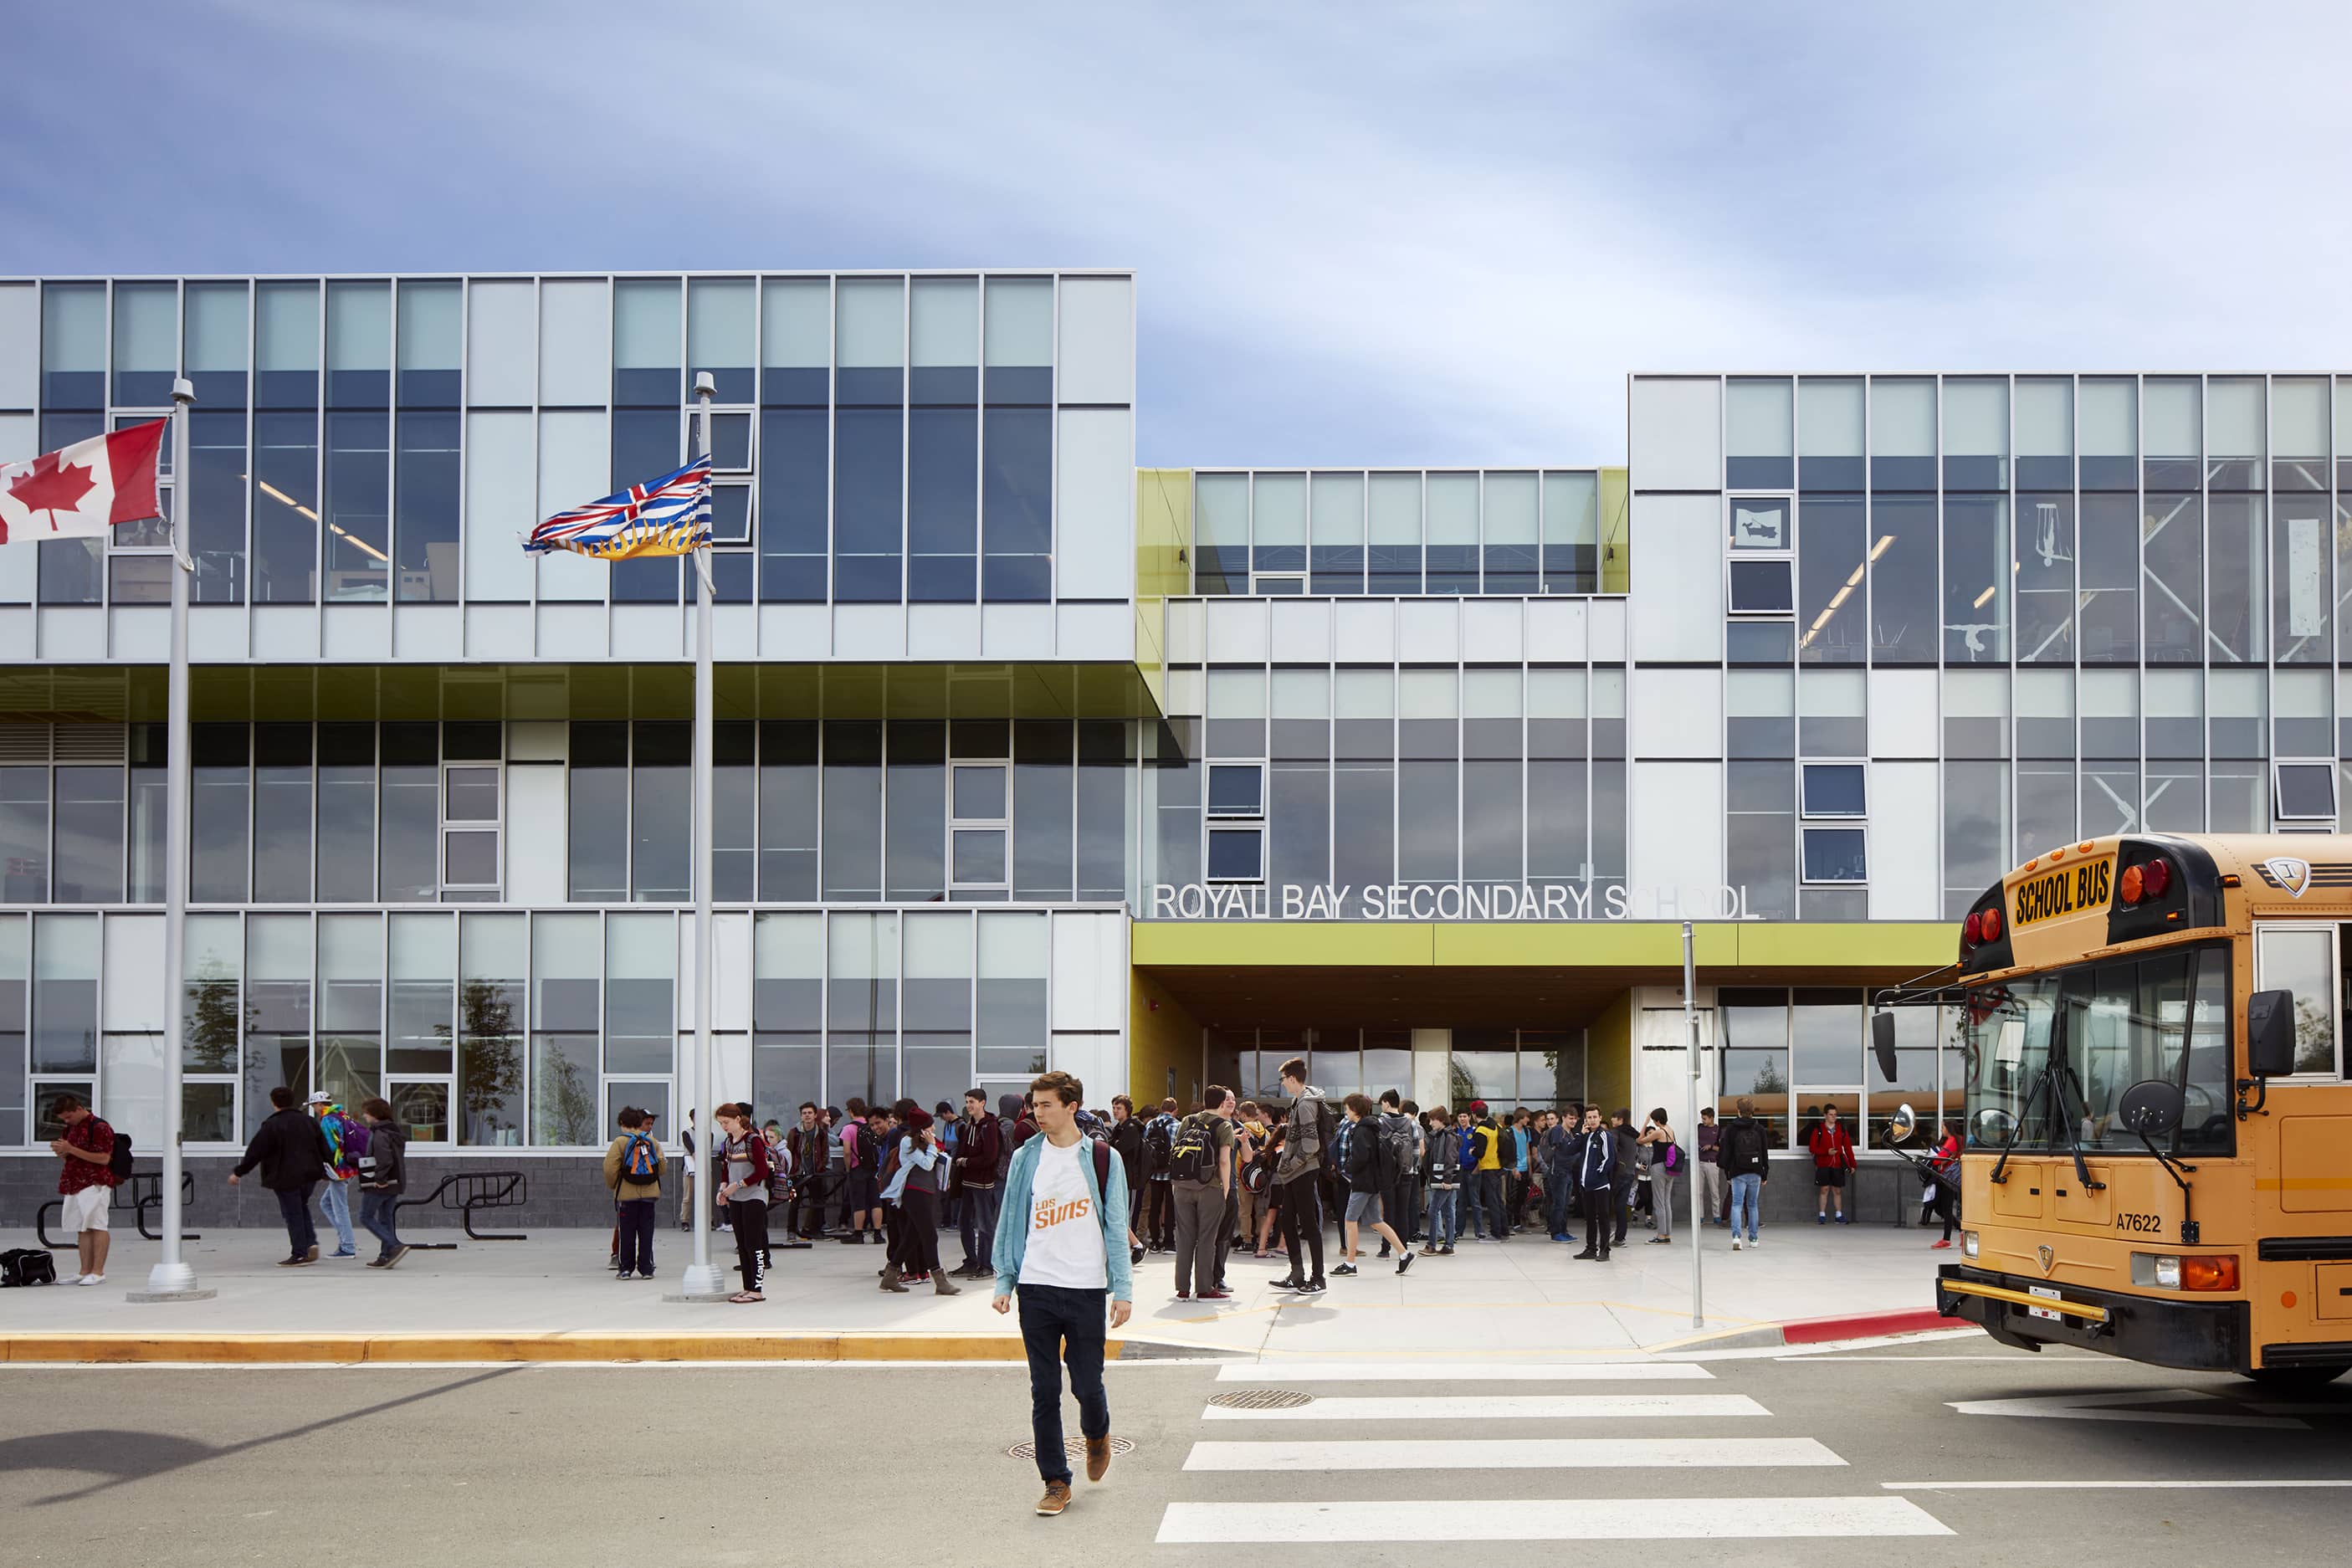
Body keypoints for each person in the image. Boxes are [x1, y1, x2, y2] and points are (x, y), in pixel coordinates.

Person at [991, 1069, 1133, 1518]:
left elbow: (1115, 1226)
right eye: (1035, 1105)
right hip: (1037, 1286)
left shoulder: (1103, 1158)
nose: (1037, 1112)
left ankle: (1097, 1433)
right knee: (1044, 1388)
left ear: (1071, 1106)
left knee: (1088, 1385)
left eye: (1046, 1104)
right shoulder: (1025, 1157)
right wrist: (1004, 1280)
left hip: (1087, 1287)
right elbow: (1010, 1219)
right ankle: (1055, 1480)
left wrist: (1123, 1290)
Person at [231, 1085, 336, 1266]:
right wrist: (328, 1168)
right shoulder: (308, 1121)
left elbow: (256, 1151)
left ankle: (300, 1253)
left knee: (292, 1213)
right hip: (310, 1174)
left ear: (273, 1102)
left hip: (285, 1176)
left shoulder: (272, 1125)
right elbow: (324, 1146)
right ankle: (309, 1243)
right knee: (301, 1207)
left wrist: (239, 1172)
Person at [1333, 1094, 1415, 1277]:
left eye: (1347, 1108)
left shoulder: (1361, 1130)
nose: (1345, 1111)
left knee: (1350, 1220)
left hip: (1363, 1182)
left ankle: (1350, 1263)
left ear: (1354, 1109)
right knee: (1375, 1221)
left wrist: (1347, 1167)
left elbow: (1361, 1157)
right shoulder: (1372, 1127)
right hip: (1373, 1182)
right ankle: (1404, 1254)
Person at [883, 1107, 959, 1296]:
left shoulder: (923, 1141)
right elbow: (925, 1163)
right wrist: (932, 1146)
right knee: (930, 1236)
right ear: (921, 1128)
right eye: (929, 1126)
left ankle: (890, 1274)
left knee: (912, 1236)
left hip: (927, 1192)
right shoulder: (907, 1141)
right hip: (913, 1192)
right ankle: (939, 1280)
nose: (933, 1128)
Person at [1168, 1087, 1233, 1301]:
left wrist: (1175, 1185)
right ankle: (1204, 1288)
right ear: (1223, 1103)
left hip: (1183, 1187)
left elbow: (1175, 1151)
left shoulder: (1187, 1121)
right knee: (1207, 1239)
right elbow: (1224, 1161)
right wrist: (1224, 1188)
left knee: (1185, 1239)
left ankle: (1182, 1289)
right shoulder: (1224, 1126)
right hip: (1210, 1188)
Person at [1271, 1058, 1328, 1294]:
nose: (1282, 1083)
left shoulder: (1304, 1104)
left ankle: (1318, 1278)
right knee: (1288, 1219)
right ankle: (1297, 1274)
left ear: (1292, 1078)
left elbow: (1311, 1146)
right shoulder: (1298, 1101)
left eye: (1283, 1079)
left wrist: (1289, 1166)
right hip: (1297, 1172)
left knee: (1308, 1223)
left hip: (1303, 1171)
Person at [48, 1094, 117, 1286]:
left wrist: (71, 1149)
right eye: (64, 1119)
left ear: (79, 1109)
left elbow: (104, 1158)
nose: (67, 1121)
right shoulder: (70, 1129)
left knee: (98, 1224)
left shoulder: (100, 1127)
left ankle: (98, 1271)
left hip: (95, 1182)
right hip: (74, 1182)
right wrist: (61, 1151)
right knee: (82, 1227)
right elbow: (69, 1156)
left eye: (68, 1117)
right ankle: (84, 1271)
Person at [713, 1103, 771, 1303]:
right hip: (736, 1198)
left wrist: (737, 1185)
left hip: (753, 1197)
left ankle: (757, 1289)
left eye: (726, 1122)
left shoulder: (753, 1140)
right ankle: (748, 1287)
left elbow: (762, 1171)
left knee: (754, 1244)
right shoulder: (729, 1142)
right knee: (742, 1244)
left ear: (738, 1119)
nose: (724, 1127)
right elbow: (725, 1168)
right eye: (721, 1123)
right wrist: (723, 1189)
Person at [602, 1105, 663, 1280]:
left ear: (622, 1123)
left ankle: (625, 1269)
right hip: (649, 1196)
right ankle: (646, 1269)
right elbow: (662, 1165)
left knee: (626, 1233)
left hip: (627, 1196)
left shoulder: (620, 1142)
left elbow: (609, 1168)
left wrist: (615, 1185)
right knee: (646, 1232)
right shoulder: (652, 1141)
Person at [954, 1089, 1006, 1277]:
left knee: (985, 1224)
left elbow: (990, 1156)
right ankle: (971, 1261)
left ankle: (986, 1264)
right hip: (967, 1182)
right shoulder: (969, 1126)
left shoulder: (989, 1126)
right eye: (967, 1102)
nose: (969, 1106)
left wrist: (967, 1161)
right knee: (964, 1222)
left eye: (972, 1102)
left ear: (982, 1103)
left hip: (983, 1183)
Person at [354, 1097, 410, 1268]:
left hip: (381, 1183)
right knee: (386, 1219)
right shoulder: (394, 1131)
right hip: (396, 1182)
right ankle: (386, 1256)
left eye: (366, 1112)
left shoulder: (380, 1133)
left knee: (366, 1217)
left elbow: (384, 1160)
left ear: (374, 1114)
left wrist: (380, 1179)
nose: (364, 1116)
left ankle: (394, 1245)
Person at [308, 1092, 363, 1258]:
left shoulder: (327, 1120)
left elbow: (330, 1147)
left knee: (340, 1208)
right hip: (351, 1166)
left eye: (313, 1106)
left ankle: (347, 1247)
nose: (314, 1109)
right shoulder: (341, 1114)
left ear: (319, 1105)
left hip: (339, 1169)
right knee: (326, 1203)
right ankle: (347, 1240)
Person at [1721, 1096, 1771, 1250]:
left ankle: (1736, 1238)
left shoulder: (1731, 1129)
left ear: (1738, 1111)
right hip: (1755, 1171)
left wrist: (1727, 1174)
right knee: (1752, 1205)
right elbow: (1764, 1152)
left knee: (1736, 1204)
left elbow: (1726, 1152)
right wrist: (1765, 1173)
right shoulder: (1759, 1129)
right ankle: (1754, 1238)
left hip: (1737, 1171)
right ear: (1752, 1111)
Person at [1570, 1105, 1615, 1260]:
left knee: (1603, 1218)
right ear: (1585, 1120)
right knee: (1589, 1219)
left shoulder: (1604, 1135)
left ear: (1600, 1117)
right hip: (1586, 1186)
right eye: (1589, 1117)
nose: (1592, 1120)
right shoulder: (1587, 1136)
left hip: (1600, 1185)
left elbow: (1609, 1159)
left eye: (1595, 1117)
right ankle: (1590, 1249)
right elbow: (1572, 1150)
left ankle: (1604, 1250)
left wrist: (1597, 1175)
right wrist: (1580, 1135)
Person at [1376, 1090, 1417, 1256]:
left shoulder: (1380, 1122)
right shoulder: (1410, 1123)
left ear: (1386, 1103)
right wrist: (1410, 1167)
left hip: (1387, 1173)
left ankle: (1385, 1248)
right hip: (1406, 1172)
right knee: (1403, 1211)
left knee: (1388, 1211)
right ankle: (1404, 1249)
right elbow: (1415, 1149)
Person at [1232, 1099, 1270, 1258]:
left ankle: (1246, 1240)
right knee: (1260, 1210)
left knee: (1245, 1211)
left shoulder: (1242, 1130)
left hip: (1244, 1175)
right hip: (1260, 1176)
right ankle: (1261, 1240)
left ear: (1243, 1114)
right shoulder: (1266, 1132)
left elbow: (1241, 1155)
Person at [1141, 1096, 1179, 1252]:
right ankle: (1169, 1242)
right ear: (1175, 1110)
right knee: (1170, 1207)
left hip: (1154, 1172)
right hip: (1170, 1173)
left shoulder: (1150, 1124)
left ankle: (1155, 1241)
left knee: (1154, 1207)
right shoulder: (1178, 1125)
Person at [1421, 1107, 1460, 1254]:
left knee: (1433, 1210)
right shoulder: (1441, 1135)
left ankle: (1432, 1245)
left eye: (1433, 1120)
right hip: (1444, 1179)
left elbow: (1450, 1158)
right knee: (1449, 1212)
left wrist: (1447, 1179)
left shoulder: (1447, 1136)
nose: (1430, 1123)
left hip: (1443, 1180)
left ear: (1441, 1120)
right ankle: (1448, 1245)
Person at [1468, 1101, 1508, 1242]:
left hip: (1488, 1168)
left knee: (1492, 1202)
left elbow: (1480, 1152)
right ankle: (1504, 1232)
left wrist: (1472, 1151)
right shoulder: (1496, 1127)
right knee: (1499, 1201)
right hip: (1498, 1167)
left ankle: (1496, 1233)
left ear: (1474, 1115)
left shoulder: (1480, 1131)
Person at [1810, 1104, 1857, 1223]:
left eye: (1835, 1115)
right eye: (1831, 1114)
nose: (1833, 1117)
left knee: (1837, 1190)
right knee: (1824, 1189)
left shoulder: (1841, 1130)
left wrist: (1852, 1164)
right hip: (1823, 1164)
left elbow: (1848, 1148)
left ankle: (1838, 1215)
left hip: (1838, 1164)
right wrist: (1826, 1152)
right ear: (1825, 1115)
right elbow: (1812, 1148)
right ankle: (1822, 1215)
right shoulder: (1818, 1130)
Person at [1640, 1108, 1678, 1244]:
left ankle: (1661, 1235)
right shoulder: (1670, 1130)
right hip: (1670, 1168)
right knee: (1666, 1202)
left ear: (1656, 1120)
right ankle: (1667, 1234)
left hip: (1658, 1168)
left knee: (1658, 1202)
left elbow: (1640, 1140)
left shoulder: (1658, 1132)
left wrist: (1645, 1123)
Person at [1928, 1122, 1963, 1248]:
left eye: (1942, 1127)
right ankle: (1961, 1230)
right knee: (1942, 1207)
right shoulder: (1960, 1139)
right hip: (1954, 1177)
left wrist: (1934, 1158)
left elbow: (1938, 1159)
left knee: (1945, 1208)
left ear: (1948, 1128)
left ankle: (1946, 1239)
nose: (1941, 1130)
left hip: (1948, 1177)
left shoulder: (1952, 1140)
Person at [1695, 1107, 1726, 1227]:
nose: (1703, 1121)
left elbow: (1722, 1148)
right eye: (1702, 1118)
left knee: (1714, 1191)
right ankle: (1700, 1216)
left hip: (1713, 1163)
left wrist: (1711, 1147)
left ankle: (1716, 1216)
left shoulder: (1719, 1130)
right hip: (1700, 1162)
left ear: (1711, 1118)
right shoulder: (1699, 1128)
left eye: (1705, 1119)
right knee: (1699, 1192)